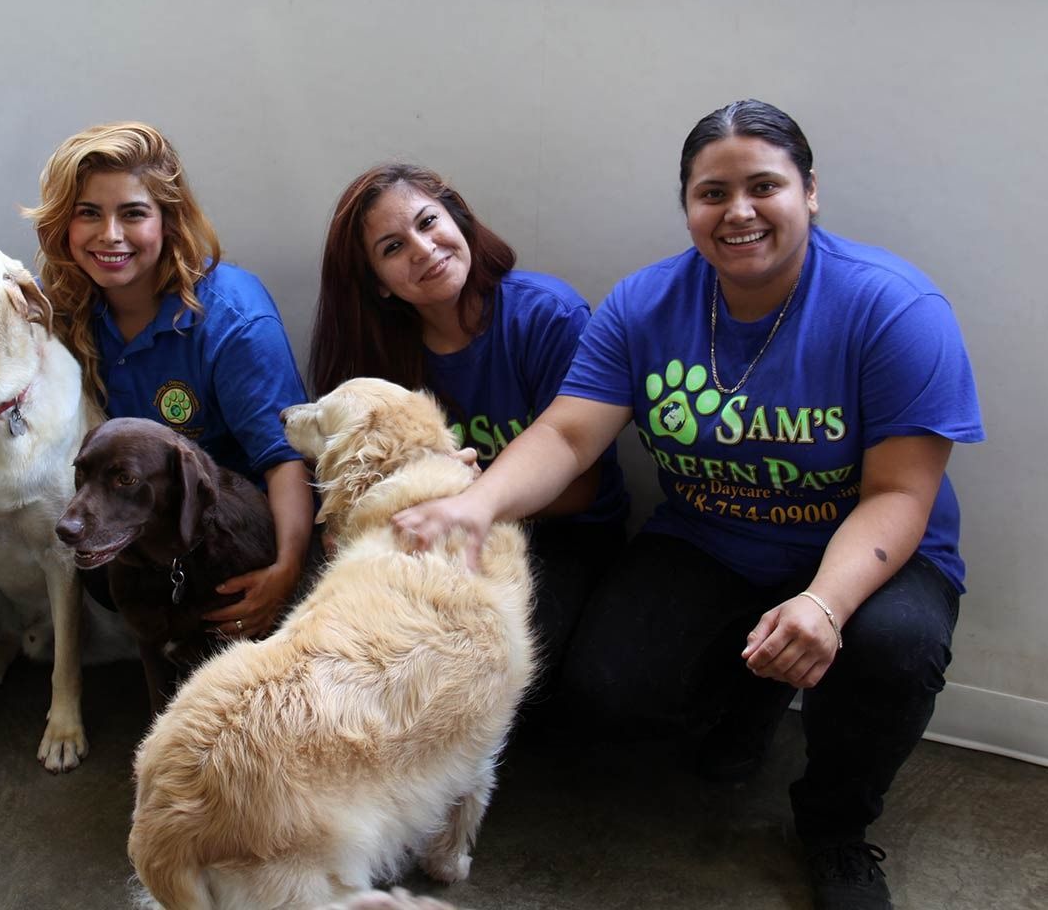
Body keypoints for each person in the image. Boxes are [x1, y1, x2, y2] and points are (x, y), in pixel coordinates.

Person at [393, 100, 982, 910]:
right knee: (607, 690)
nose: (737, 211)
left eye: (763, 185)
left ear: (809, 192)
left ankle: (836, 831)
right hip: (708, 539)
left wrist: (823, 603)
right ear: (688, 207)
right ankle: (752, 698)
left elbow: (899, 493)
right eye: (712, 193)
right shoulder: (645, 306)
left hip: (862, 553)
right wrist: (478, 505)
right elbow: (568, 436)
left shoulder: (893, 308)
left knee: (898, 651)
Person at [0, 122, 313, 639]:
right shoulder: (63, 307)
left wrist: (286, 570)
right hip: (131, 521)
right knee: (99, 573)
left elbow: (282, 459)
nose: (110, 235)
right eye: (88, 214)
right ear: (64, 225)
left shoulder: (233, 321)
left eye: (133, 213)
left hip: (228, 531)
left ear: (168, 221)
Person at [309, 162, 627, 691]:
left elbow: (582, 487)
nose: (422, 248)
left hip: (563, 534)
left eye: (428, 222)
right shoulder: (379, 356)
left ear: (458, 220)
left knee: (517, 680)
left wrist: (469, 493)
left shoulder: (547, 316)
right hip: (430, 534)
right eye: (392, 248)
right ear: (379, 286)